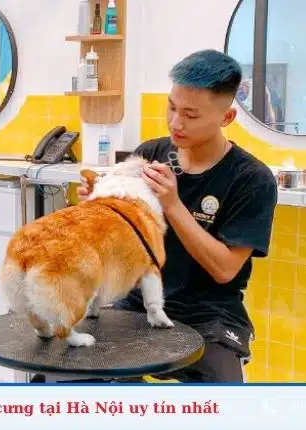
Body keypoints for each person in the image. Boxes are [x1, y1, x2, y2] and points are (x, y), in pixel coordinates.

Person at [77, 49, 278, 383]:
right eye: (171, 107)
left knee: (223, 397)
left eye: (190, 115)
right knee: (71, 371)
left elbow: (225, 270)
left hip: (209, 314)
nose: (175, 123)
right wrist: (98, 205)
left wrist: (172, 204)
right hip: (137, 302)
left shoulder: (251, 179)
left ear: (227, 118)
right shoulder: (151, 154)